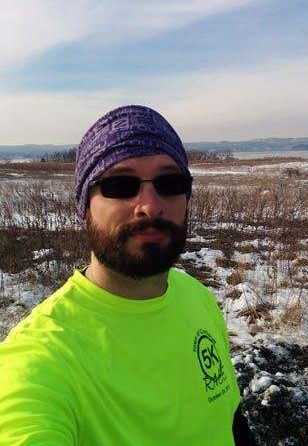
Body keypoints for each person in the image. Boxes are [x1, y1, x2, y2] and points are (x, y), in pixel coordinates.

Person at [0, 105, 255, 445]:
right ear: (84, 206)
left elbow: (229, 419)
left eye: (170, 182)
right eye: (120, 184)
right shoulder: (42, 358)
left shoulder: (198, 297)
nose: (150, 204)